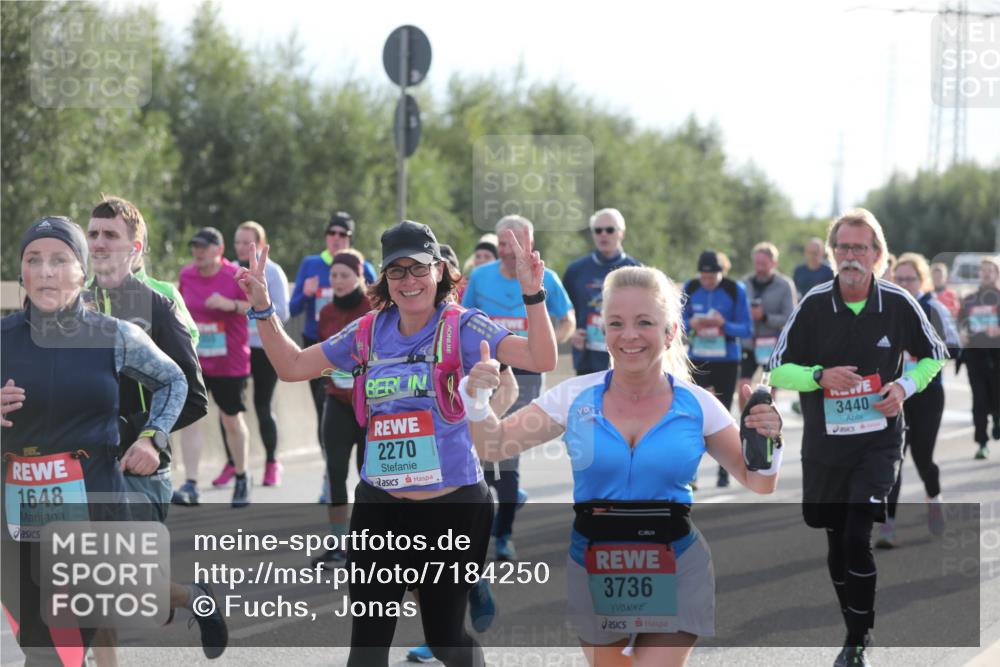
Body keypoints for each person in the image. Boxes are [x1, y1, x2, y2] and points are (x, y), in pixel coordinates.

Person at [236, 219, 557, 666]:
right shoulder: (368, 331)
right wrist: (264, 308)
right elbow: (292, 366)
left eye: (418, 268)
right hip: (380, 508)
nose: (409, 281)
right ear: (385, 279)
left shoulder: (463, 326)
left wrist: (533, 294)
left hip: (451, 510)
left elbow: (541, 357)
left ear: (440, 270)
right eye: (397, 271)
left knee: (446, 641)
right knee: (365, 651)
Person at [464, 265, 783, 667]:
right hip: (595, 563)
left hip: (677, 561)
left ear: (669, 333)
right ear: (603, 330)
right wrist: (476, 399)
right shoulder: (574, 397)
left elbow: (760, 482)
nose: (629, 335)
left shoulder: (698, 405)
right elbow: (494, 445)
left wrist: (769, 439)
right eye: (616, 323)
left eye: (644, 322)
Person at [2, 216, 188, 666]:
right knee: (40, 644)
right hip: (18, 519)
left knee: (53, 652)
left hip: (94, 508)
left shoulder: (115, 335)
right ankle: (191, 596)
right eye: (34, 260)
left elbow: (174, 381)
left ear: (82, 273)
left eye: (60, 260)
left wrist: (152, 438)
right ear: (22, 272)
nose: (46, 271)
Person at [767, 208, 948, 667]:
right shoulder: (813, 304)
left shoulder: (899, 303)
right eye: (842, 248)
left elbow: (935, 355)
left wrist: (904, 387)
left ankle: (857, 639)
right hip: (827, 446)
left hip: (879, 441)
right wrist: (818, 376)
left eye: (860, 248)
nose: (850, 256)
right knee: (834, 539)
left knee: (856, 535)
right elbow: (778, 367)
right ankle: (854, 627)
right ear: (832, 254)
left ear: (878, 256)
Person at [84, 199, 227, 661]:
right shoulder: (68, 302)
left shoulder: (159, 302)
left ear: (135, 247)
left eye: (111, 235)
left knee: (127, 587)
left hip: (139, 466)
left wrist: (151, 436)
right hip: (80, 465)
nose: (99, 243)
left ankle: (191, 597)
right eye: (93, 234)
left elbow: (190, 392)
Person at [462, 214, 575, 561]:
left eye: (515, 244)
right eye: (503, 245)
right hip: (487, 371)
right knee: (476, 451)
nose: (509, 252)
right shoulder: (481, 276)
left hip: (525, 373)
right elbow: (460, 319)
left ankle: (504, 535)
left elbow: (568, 320)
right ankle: (473, 531)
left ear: (529, 243)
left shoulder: (547, 278)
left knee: (506, 453)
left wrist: (543, 347)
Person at [289, 212, 377, 501]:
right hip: (323, 358)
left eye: (342, 234)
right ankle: (332, 487)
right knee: (330, 439)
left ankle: (369, 530)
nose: (336, 238)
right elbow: (293, 306)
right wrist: (306, 292)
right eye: (332, 233)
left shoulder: (370, 300)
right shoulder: (312, 266)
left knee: (369, 471)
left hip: (369, 394)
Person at [875, 253, 960, 548]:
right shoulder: (889, 307)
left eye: (910, 279)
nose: (904, 284)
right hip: (895, 395)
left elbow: (954, 347)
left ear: (922, 280)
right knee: (893, 458)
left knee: (923, 457)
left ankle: (934, 498)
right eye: (899, 279)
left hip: (926, 394)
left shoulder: (933, 307)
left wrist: (919, 355)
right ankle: (888, 525)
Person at [174, 227, 253, 508]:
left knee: (231, 419)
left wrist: (230, 304)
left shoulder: (235, 275)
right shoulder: (186, 275)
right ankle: (191, 483)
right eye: (195, 246)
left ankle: (242, 476)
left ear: (218, 250)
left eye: (204, 247)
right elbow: (178, 308)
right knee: (191, 418)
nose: (198, 251)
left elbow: (258, 306)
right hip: (196, 359)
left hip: (229, 360)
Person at [213, 222, 290, 487]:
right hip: (235, 349)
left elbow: (282, 311)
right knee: (229, 409)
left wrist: (240, 308)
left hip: (264, 347)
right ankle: (233, 463)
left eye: (248, 242)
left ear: (259, 242)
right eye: (237, 242)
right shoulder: (229, 270)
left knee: (262, 406)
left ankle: (271, 463)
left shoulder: (274, 272)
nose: (242, 247)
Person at [311, 250, 371, 567]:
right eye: (333, 276)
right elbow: (321, 355)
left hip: (370, 406)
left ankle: (364, 544)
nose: (338, 281)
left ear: (359, 276)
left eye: (344, 275)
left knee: (367, 477)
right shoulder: (327, 313)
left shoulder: (374, 309)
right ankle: (337, 544)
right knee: (335, 472)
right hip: (336, 401)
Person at [683, 250, 753, 487]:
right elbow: (676, 323)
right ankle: (690, 473)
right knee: (693, 415)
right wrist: (690, 324)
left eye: (712, 277)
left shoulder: (735, 290)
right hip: (698, 359)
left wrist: (724, 325)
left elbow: (746, 329)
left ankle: (725, 471)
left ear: (721, 273)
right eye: (703, 277)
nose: (707, 282)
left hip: (726, 360)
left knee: (722, 415)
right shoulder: (691, 288)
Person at [563, 208, 642, 376]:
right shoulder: (576, 270)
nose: (603, 234)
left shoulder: (638, 270)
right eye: (598, 230)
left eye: (610, 230)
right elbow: (563, 311)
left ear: (621, 233)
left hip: (626, 355)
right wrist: (572, 332)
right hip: (587, 358)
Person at [738, 242, 796, 411]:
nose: (760, 268)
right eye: (757, 264)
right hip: (749, 343)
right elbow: (737, 313)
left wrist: (764, 317)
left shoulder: (784, 285)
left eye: (764, 264)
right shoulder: (744, 284)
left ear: (774, 263)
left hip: (772, 345)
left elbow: (789, 318)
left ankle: (770, 426)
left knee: (769, 391)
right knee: (743, 387)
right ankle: (745, 423)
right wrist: (747, 315)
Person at [957, 255, 1000, 459]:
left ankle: (998, 419)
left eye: (989, 270)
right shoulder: (970, 299)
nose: (985, 273)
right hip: (975, 356)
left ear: (996, 274)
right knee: (979, 400)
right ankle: (981, 442)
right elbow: (961, 322)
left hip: (997, 356)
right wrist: (962, 334)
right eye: (982, 270)